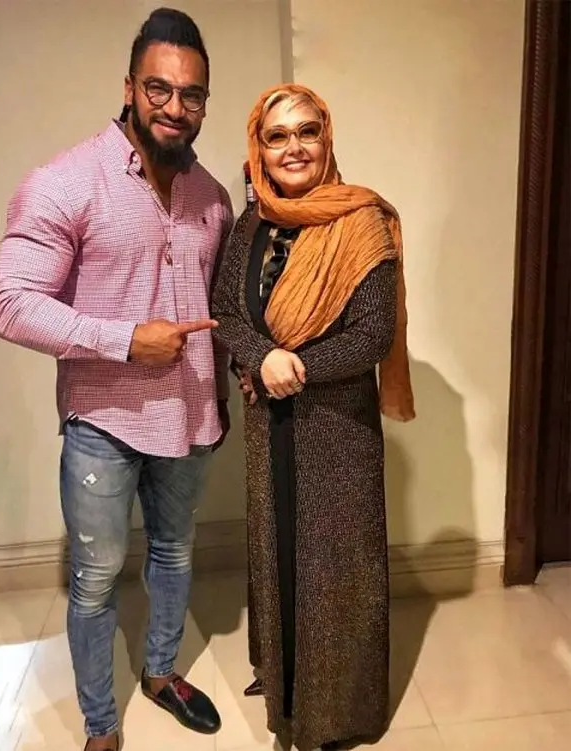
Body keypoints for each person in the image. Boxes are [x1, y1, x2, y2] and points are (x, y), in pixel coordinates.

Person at [0, 8, 232, 751]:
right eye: (159, 88)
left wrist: (227, 393)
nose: (175, 106)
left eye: (192, 94)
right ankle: (101, 724)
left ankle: (160, 673)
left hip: (189, 419)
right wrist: (125, 341)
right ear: (129, 87)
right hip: (104, 424)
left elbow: (222, 308)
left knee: (175, 550)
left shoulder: (213, 197)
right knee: (95, 580)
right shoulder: (64, 182)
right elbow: (10, 303)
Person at [211, 84, 415, 751]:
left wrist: (288, 367)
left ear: (327, 139)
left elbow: (373, 335)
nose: (293, 147)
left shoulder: (362, 223)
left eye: (307, 131)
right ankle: (282, 684)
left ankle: (336, 716)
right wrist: (260, 356)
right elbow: (227, 312)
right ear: (260, 149)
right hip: (269, 426)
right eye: (277, 136)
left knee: (336, 573)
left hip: (337, 430)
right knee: (277, 556)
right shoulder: (252, 225)